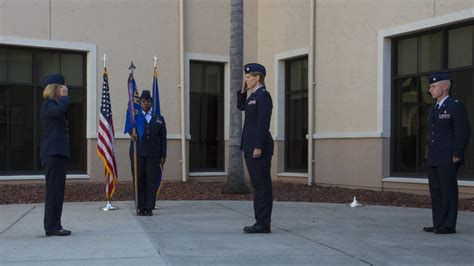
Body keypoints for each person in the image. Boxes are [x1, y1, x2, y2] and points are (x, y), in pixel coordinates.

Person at [423, 72, 471, 234]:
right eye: (431, 86)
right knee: (436, 190)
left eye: (434, 86)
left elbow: (463, 131)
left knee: (448, 191)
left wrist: (458, 153)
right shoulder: (434, 109)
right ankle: (438, 223)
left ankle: (448, 225)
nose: (431, 89)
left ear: (445, 87)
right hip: (434, 155)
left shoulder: (455, 106)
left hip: (448, 156)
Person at [237, 63, 274, 233]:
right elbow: (240, 106)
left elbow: (263, 123)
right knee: (257, 185)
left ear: (257, 78)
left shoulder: (263, 97)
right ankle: (260, 221)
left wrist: (258, 146)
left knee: (262, 185)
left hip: (258, 148)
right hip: (250, 146)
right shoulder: (253, 97)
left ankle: (263, 223)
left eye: (248, 77)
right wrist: (243, 91)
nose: (246, 80)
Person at [40, 74, 71, 237]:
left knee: (58, 191)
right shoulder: (48, 105)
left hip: (58, 154)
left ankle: (55, 225)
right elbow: (59, 112)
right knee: (53, 191)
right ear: (54, 89)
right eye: (60, 87)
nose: (63, 89)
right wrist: (65, 98)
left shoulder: (55, 105)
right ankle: (51, 227)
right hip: (52, 154)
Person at [130, 90, 167, 216]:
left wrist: (163, 156)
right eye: (144, 101)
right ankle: (141, 207)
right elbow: (130, 129)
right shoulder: (135, 117)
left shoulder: (158, 118)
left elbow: (163, 138)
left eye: (148, 101)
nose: (146, 103)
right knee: (139, 180)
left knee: (151, 181)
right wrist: (132, 135)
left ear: (152, 102)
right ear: (140, 102)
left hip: (153, 155)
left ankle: (149, 207)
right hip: (139, 154)